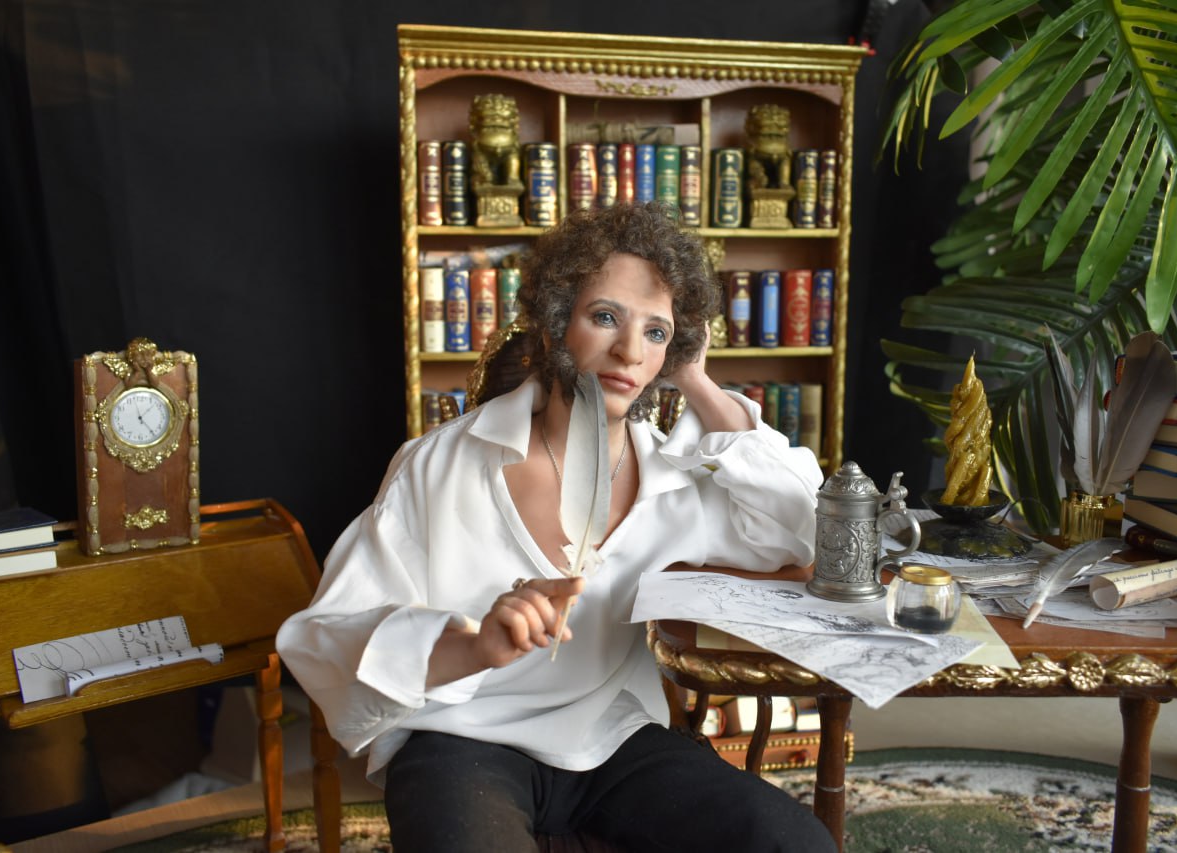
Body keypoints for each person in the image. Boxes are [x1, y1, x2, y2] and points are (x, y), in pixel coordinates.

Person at [277, 202, 833, 851]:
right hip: (460, 737)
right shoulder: (439, 464)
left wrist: (695, 378)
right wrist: (475, 644)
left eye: (656, 332)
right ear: (553, 321)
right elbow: (326, 633)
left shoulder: (676, 480)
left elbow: (804, 531)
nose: (631, 351)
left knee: (793, 842)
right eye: (606, 317)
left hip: (611, 736)